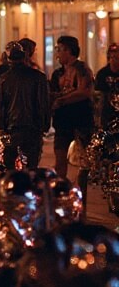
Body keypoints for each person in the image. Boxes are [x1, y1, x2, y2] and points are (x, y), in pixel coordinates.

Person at [0, 40, 51, 168]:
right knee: (31, 167)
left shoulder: (3, 79)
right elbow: (44, 104)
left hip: (11, 130)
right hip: (33, 129)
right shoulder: (38, 77)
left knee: (10, 168)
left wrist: (0, 129)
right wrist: (44, 125)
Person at [49, 34, 94, 182]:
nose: (57, 54)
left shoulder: (82, 69)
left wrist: (62, 100)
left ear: (69, 50)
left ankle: (82, 196)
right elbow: (52, 94)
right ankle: (61, 193)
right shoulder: (57, 73)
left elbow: (84, 92)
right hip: (62, 123)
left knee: (84, 163)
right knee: (60, 161)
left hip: (81, 122)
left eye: (60, 49)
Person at [94, 41, 119, 130]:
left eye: (116, 57)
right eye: (112, 56)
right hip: (107, 113)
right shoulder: (102, 74)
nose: (114, 59)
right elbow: (99, 94)